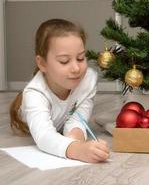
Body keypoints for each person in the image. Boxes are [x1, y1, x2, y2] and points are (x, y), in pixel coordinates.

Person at [9, 18, 109, 163]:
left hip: (61, 120)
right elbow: (44, 136)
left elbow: (78, 118)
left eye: (80, 58)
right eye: (64, 61)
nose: (76, 68)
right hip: (26, 120)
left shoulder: (88, 79)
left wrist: (77, 140)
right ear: (42, 63)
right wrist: (77, 151)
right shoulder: (35, 94)